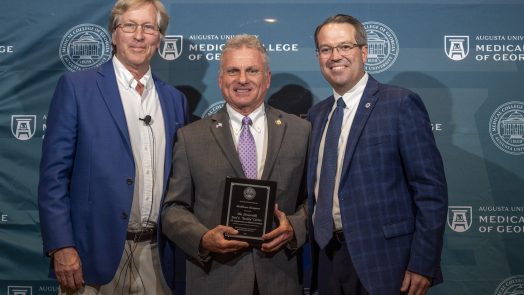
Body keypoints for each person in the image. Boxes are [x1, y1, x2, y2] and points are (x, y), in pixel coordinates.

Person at [38, 0, 188, 294]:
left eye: (148, 27)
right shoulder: (77, 88)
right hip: (91, 255)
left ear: (159, 38)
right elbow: (53, 177)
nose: (139, 35)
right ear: (113, 34)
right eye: (129, 26)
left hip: (159, 256)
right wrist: (61, 246)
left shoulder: (174, 100)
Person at [307, 14, 448, 295]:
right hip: (326, 258)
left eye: (345, 46)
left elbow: (430, 190)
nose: (335, 56)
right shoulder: (317, 114)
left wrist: (422, 264)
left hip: (385, 263)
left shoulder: (399, 103)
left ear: (364, 52)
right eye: (326, 49)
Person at [161, 34, 309, 295]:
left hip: (279, 279)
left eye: (252, 70)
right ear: (220, 80)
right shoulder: (190, 137)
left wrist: (295, 227)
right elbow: (173, 209)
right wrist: (202, 238)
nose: (242, 79)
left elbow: (315, 200)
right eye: (233, 71)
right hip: (215, 279)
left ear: (267, 78)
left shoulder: (300, 131)